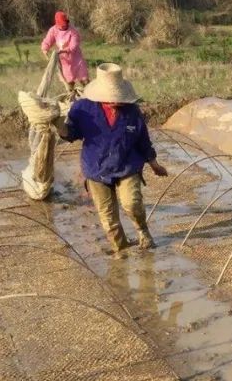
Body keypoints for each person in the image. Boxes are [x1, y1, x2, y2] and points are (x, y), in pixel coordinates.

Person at [57, 63, 167, 254]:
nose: (117, 102)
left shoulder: (132, 111)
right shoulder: (83, 108)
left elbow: (143, 139)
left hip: (127, 165)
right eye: (111, 98)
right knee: (108, 217)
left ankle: (142, 230)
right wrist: (58, 125)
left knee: (132, 203)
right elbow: (71, 133)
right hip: (96, 168)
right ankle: (121, 250)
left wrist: (154, 163)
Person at [41, 11, 89, 97]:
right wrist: (45, 49)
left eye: (65, 24)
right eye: (62, 25)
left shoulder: (73, 31)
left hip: (76, 59)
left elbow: (73, 46)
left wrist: (63, 51)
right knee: (69, 83)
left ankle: (90, 96)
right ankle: (71, 98)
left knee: (84, 80)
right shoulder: (53, 30)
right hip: (65, 61)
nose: (64, 26)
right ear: (57, 24)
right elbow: (47, 41)